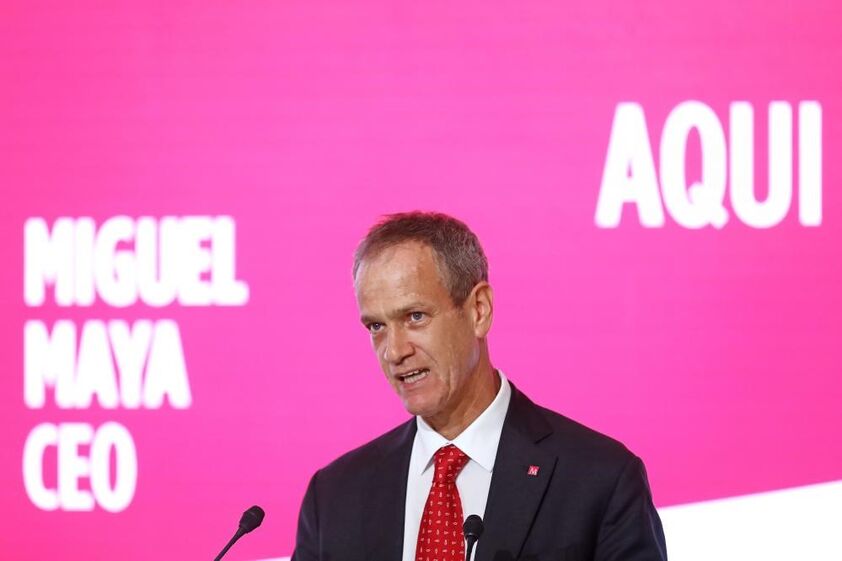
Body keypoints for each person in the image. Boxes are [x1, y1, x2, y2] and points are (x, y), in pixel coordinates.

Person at [291, 212, 667, 561]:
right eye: (376, 327)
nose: (394, 351)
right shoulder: (334, 496)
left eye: (415, 316)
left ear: (479, 310)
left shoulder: (600, 479)